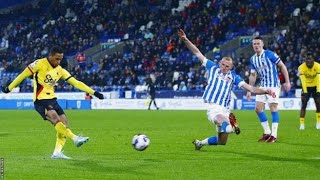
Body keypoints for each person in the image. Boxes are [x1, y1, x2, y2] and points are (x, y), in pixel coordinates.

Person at [178, 29, 276, 150]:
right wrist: (186, 40)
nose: (224, 67)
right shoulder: (212, 67)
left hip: (225, 109)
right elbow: (197, 52)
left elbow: (250, 88)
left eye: (227, 66)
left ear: (231, 67)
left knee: (221, 141)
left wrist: (266, 91)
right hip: (213, 106)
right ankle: (230, 126)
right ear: (220, 63)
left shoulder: (234, 77)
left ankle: (200, 143)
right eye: (223, 64)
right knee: (222, 120)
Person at [1, 46, 104, 159]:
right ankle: (75, 138)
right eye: (56, 58)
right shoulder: (39, 64)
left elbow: (77, 83)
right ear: (50, 56)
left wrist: (94, 92)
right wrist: (9, 88)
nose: (58, 61)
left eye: (60, 59)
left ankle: (57, 152)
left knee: (64, 124)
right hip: (40, 100)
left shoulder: (60, 70)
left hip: (52, 99)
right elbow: (22, 75)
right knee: (55, 118)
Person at [246, 37, 291, 143]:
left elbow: (282, 66)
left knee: (273, 108)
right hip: (262, 86)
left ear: (262, 45)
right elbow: (253, 75)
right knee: (258, 109)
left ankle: (274, 136)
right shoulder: (253, 59)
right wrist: (249, 89)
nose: (256, 45)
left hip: (273, 85)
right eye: (254, 44)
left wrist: (287, 82)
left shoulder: (269, 54)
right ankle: (267, 133)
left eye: (258, 43)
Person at [298, 52, 320, 130]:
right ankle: (302, 124)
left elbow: (318, 79)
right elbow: (303, 80)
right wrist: (305, 90)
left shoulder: (318, 66)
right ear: (305, 60)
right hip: (306, 87)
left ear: (313, 59)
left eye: (310, 59)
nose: (308, 61)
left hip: (315, 86)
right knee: (303, 105)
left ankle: (318, 122)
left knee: (318, 104)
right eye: (307, 59)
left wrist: (318, 90)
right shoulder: (301, 67)